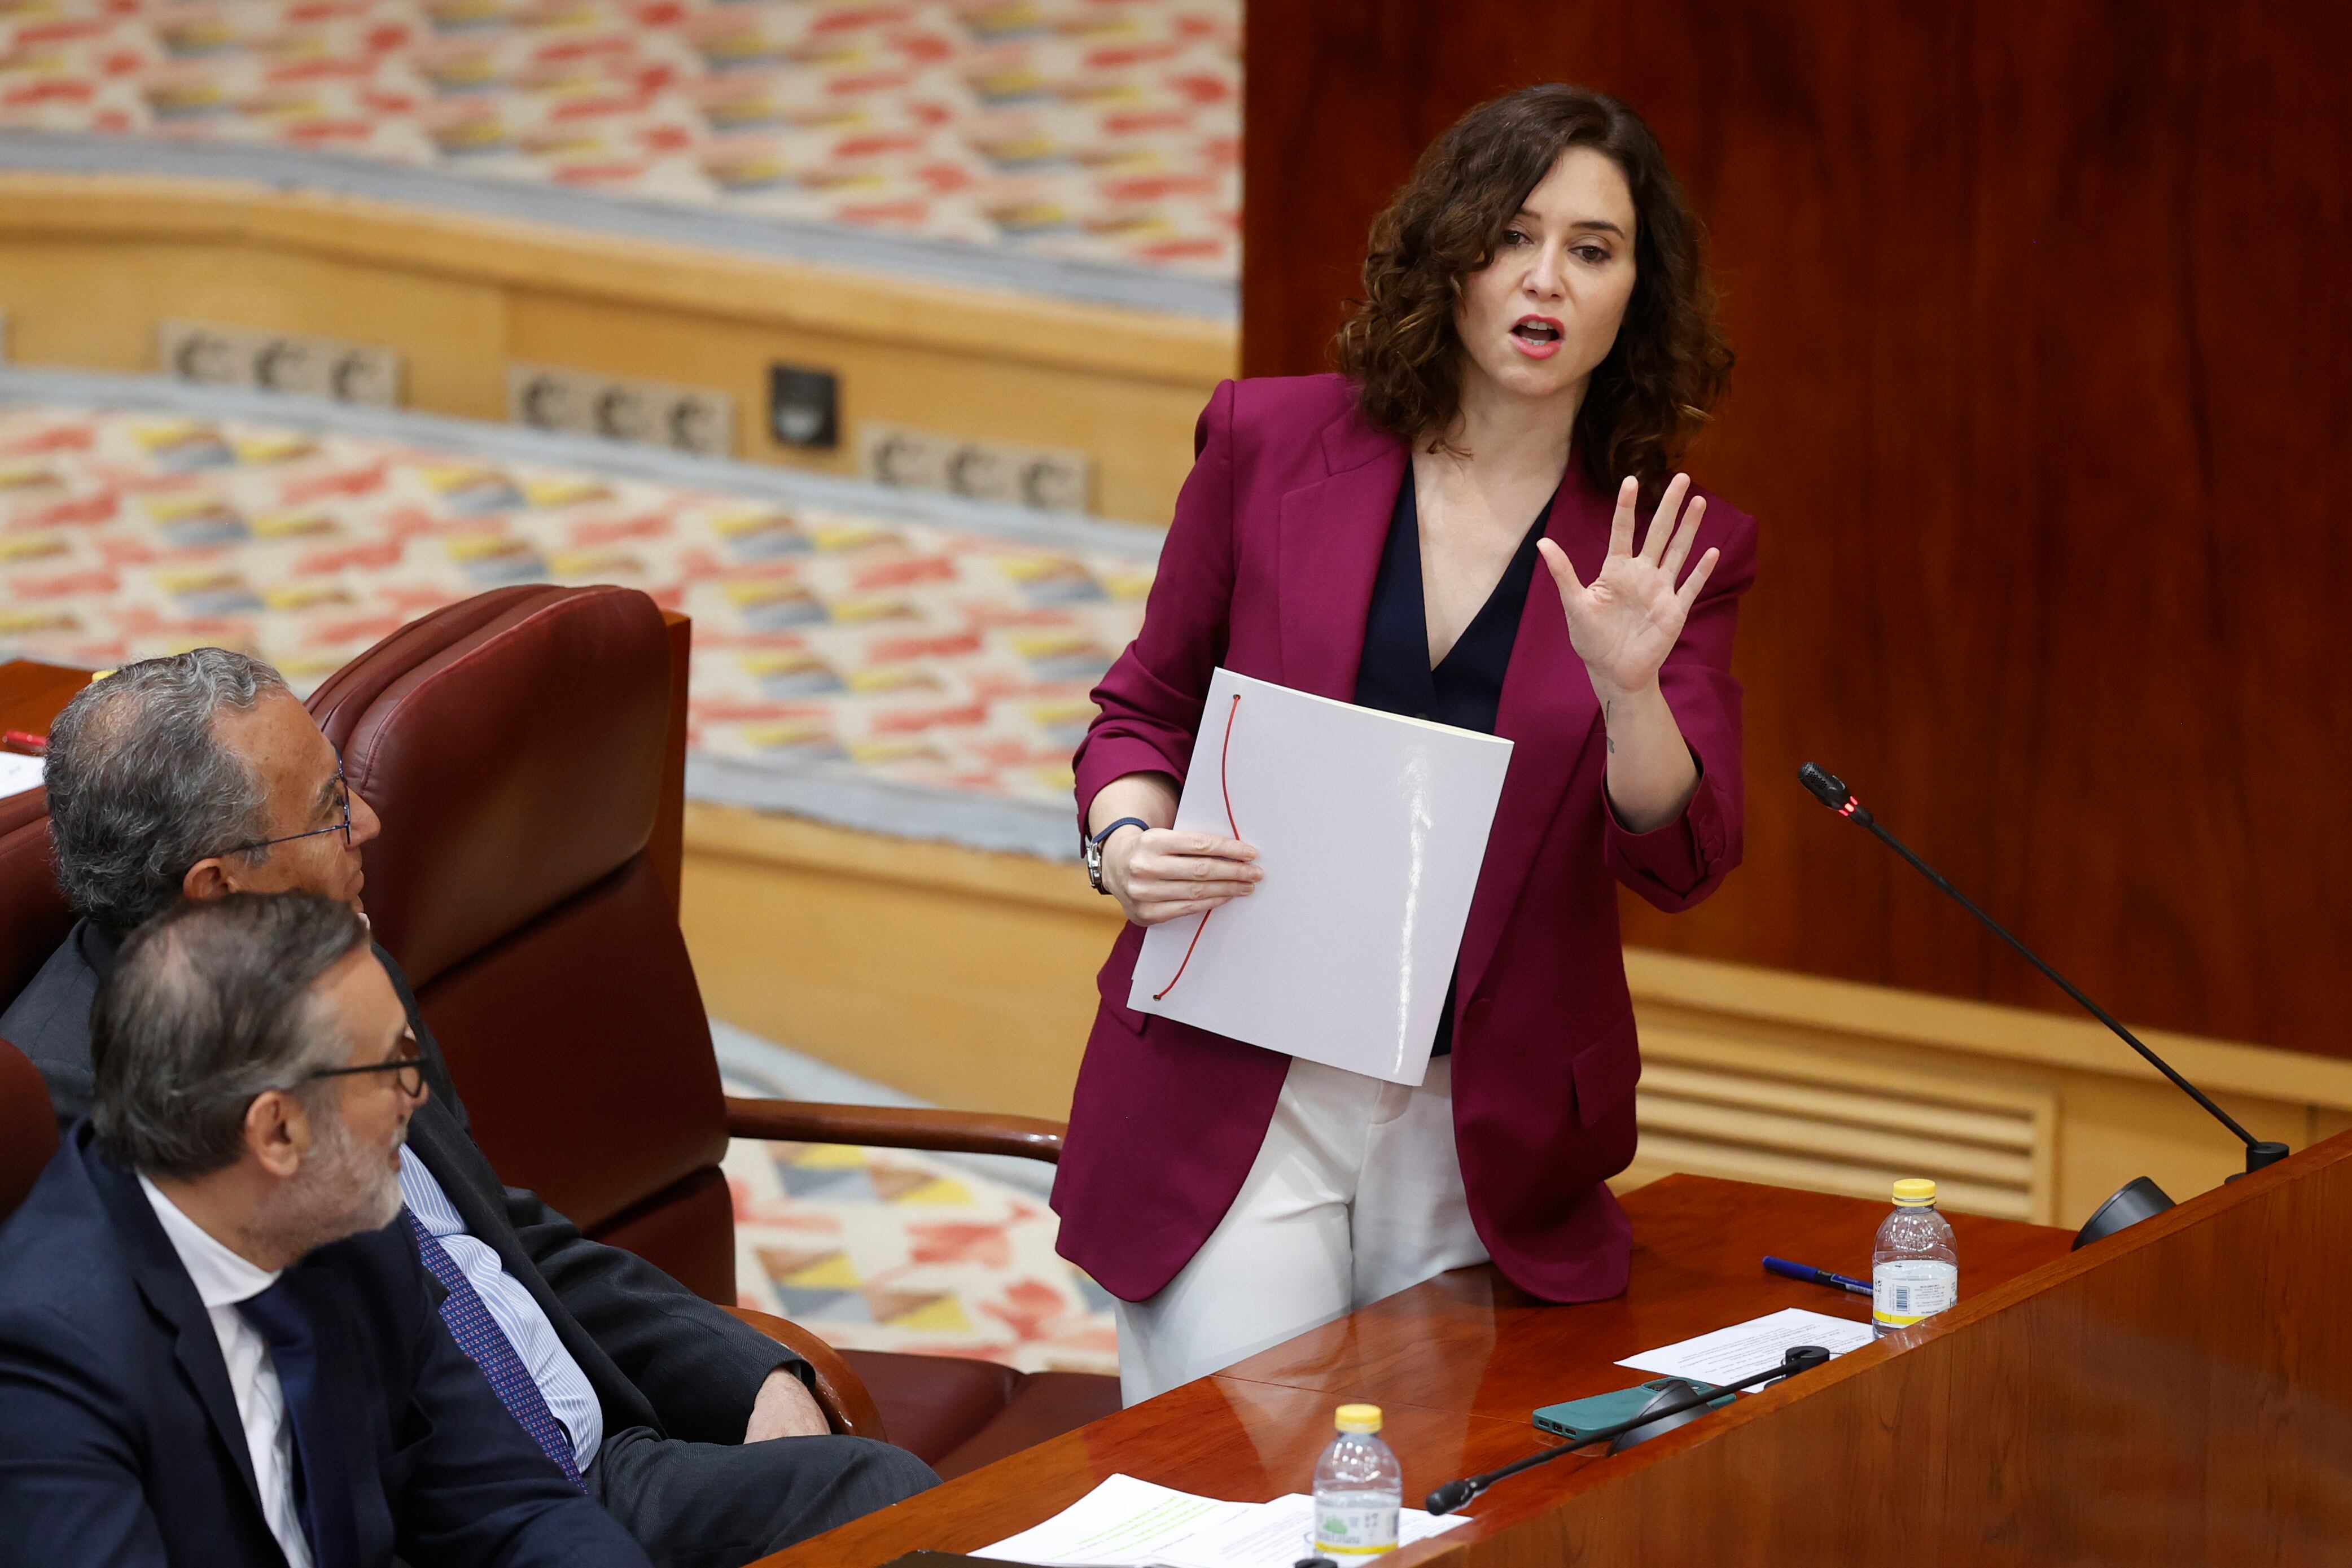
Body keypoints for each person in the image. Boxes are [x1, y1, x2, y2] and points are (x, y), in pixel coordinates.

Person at [1058, 84, 1758, 1403]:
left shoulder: (1671, 545)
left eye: (1593, 249)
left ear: (1634, 296)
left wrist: (1631, 692)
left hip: (1475, 1113)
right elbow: (1142, 707)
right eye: (1510, 234)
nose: (1544, 278)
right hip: (1240, 1068)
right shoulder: (1267, 443)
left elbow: (1682, 854)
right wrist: (1127, 840)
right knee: (1243, 1494)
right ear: (1450, 255)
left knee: (1434, 1505)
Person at [0, 650, 936, 1561]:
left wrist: (742, 1369)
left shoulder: (339, 977)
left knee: (893, 1505)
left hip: (567, 1463)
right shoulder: (93, 1132)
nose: (367, 821)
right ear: (219, 887)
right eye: (330, 809)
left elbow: (494, 1238)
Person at [0, 892, 656, 1567]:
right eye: (390, 1064)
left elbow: (512, 1504)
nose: (418, 1091)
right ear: (278, 1131)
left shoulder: (353, 1231)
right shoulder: (48, 1356)